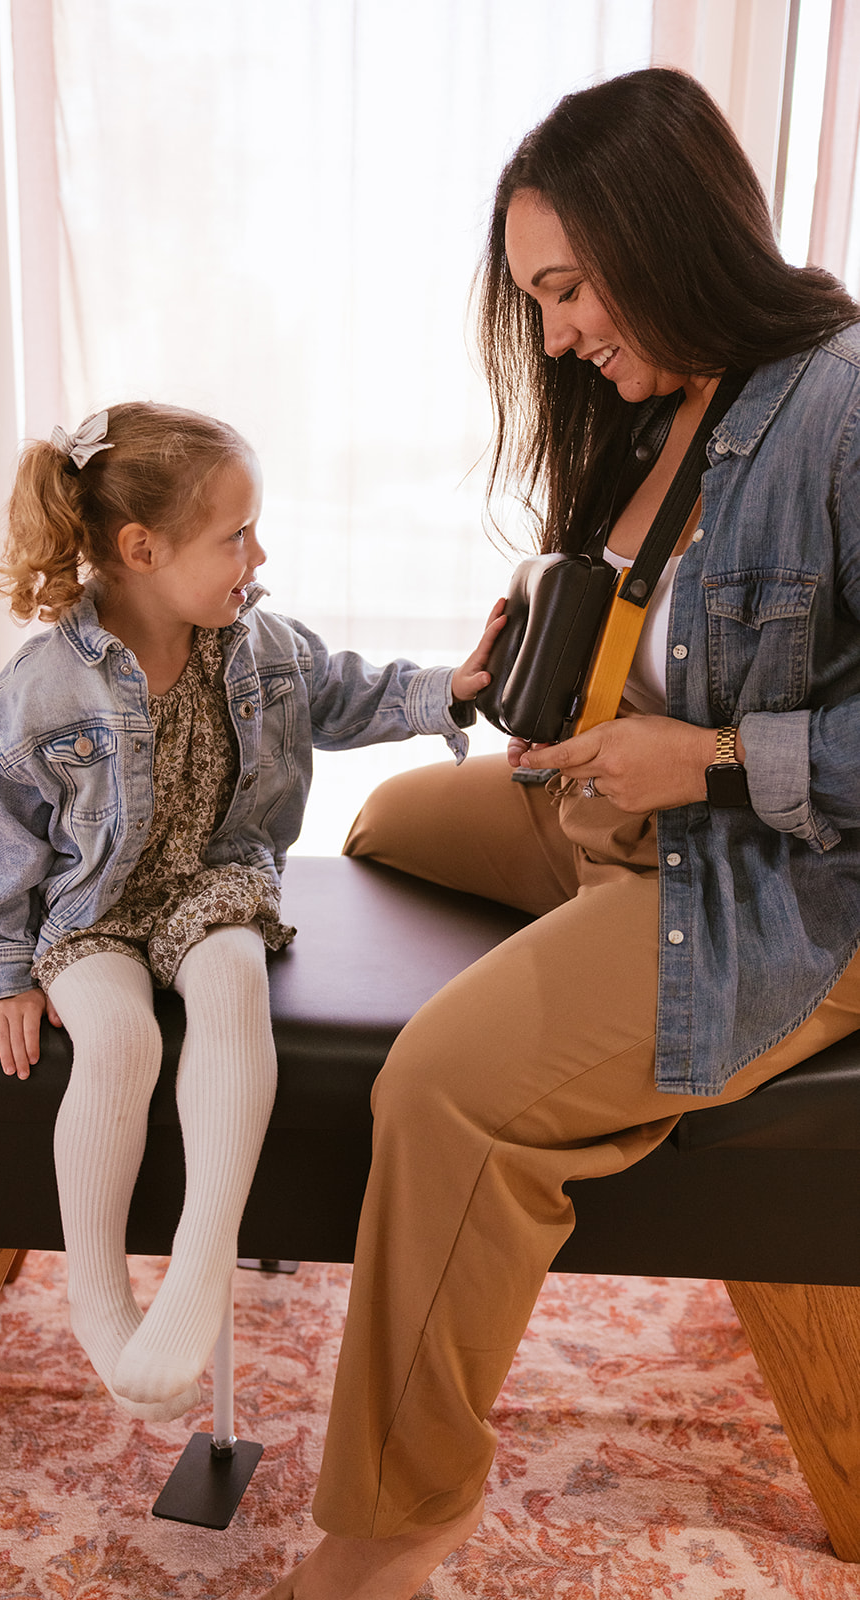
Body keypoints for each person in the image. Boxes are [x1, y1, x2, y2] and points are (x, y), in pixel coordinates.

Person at [259, 66, 860, 1599]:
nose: (553, 335)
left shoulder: (842, 407)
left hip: (776, 883)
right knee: (391, 813)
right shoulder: (672, 403)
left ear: (667, 235)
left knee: (448, 1084)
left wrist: (715, 757)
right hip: (615, 813)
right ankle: (576, 942)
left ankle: (397, 1521)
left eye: (567, 288)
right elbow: (664, 633)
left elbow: (742, 728)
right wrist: (534, 651)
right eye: (534, 298)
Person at [0, 400, 499, 1423]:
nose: (256, 553)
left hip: (213, 881)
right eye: (234, 534)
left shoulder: (258, 643)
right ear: (141, 549)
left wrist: (452, 687)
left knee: (230, 987)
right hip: (91, 908)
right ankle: (99, 1294)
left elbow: (343, 692)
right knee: (119, 1041)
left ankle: (198, 1256)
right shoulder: (42, 689)